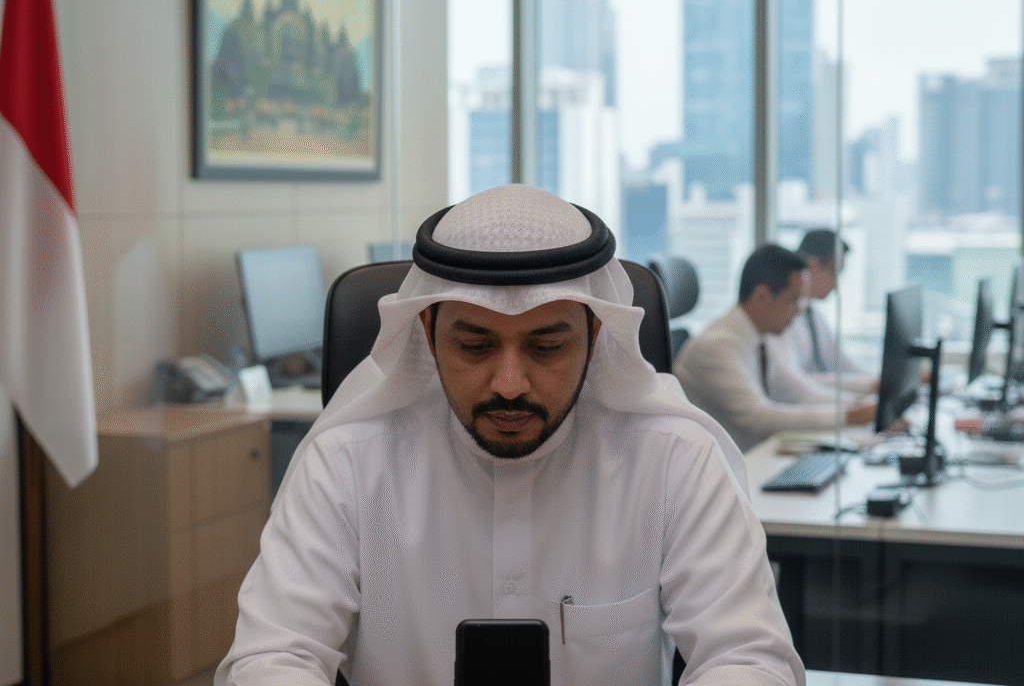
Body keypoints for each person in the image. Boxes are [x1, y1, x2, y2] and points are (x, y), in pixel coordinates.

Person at [215, 185, 804, 686]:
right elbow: (272, 657)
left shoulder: (675, 459)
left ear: (596, 333)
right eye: (475, 346)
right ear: (427, 328)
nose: (509, 383)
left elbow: (748, 658)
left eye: (547, 347)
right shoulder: (347, 462)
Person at [674, 243, 876, 452]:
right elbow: (760, 417)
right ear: (762, 296)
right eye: (794, 300)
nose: (799, 311)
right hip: (730, 463)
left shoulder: (761, 337)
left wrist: (859, 407)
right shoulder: (717, 347)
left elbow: (797, 389)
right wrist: (849, 416)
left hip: (754, 455)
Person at [784, 229, 877, 392]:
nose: (836, 285)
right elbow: (797, 382)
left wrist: (883, 382)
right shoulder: (784, 320)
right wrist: (874, 386)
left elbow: (844, 365)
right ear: (812, 265)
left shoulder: (813, 316)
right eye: (835, 272)